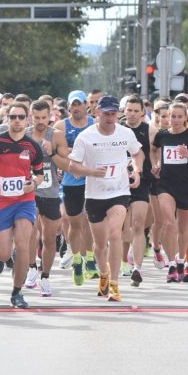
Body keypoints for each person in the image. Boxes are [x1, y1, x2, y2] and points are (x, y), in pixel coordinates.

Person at [68, 96, 143, 302]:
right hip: (94, 195)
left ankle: (115, 285)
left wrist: (137, 170)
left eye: (113, 113)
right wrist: (91, 172)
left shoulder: (125, 133)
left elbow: (138, 153)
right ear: (97, 112)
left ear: (118, 113)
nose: (110, 117)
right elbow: (72, 165)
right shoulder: (85, 137)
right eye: (106, 113)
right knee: (100, 245)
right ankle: (104, 274)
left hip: (119, 191)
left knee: (115, 234)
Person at [0, 102, 44, 309]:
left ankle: (17, 292)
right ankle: (0, 255)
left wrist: (33, 184)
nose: (17, 120)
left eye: (21, 117)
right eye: (13, 117)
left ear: (27, 120)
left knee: (23, 242)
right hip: (1, 201)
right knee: (5, 254)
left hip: (24, 201)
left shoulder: (33, 146)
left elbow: (40, 174)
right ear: (7, 119)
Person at [151, 103, 188, 283]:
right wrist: (155, 164)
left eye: (178, 116)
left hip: (186, 186)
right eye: (171, 116)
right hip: (165, 184)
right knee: (168, 222)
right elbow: (153, 150)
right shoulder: (162, 135)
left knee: (183, 230)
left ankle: (181, 260)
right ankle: (172, 263)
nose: (174, 120)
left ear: (185, 119)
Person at [52, 90, 97, 284]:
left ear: (86, 104)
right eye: (73, 104)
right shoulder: (61, 126)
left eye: (80, 104)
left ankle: (89, 259)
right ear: (68, 106)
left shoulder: (95, 123)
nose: (76, 107)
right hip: (71, 180)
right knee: (75, 222)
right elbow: (59, 153)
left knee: (88, 221)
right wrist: (72, 165)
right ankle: (76, 258)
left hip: (91, 179)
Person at [25, 99, 62, 297]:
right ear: (31, 116)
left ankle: (45, 276)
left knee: (49, 237)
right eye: (37, 117)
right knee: (30, 233)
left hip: (51, 192)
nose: (40, 121)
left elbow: (66, 164)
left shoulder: (56, 135)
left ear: (50, 116)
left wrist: (52, 153)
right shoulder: (24, 135)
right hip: (30, 192)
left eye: (44, 117)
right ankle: (31, 267)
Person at [121, 94, 156, 287]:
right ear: (124, 111)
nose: (133, 114)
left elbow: (158, 151)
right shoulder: (116, 129)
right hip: (118, 183)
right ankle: (124, 261)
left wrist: (156, 166)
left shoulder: (150, 131)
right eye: (129, 110)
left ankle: (138, 268)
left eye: (136, 111)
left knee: (138, 224)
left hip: (141, 181)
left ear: (142, 113)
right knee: (121, 228)